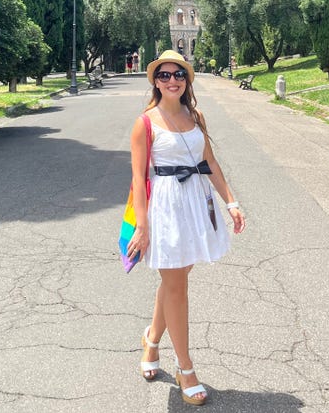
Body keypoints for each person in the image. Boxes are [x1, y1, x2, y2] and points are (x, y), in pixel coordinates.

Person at [126, 49, 246, 406]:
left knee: (174, 279)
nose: (172, 80)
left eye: (178, 74)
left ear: (187, 80)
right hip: (164, 207)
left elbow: (209, 161)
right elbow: (137, 178)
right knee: (177, 286)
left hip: (195, 204)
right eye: (164, 75)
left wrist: (232, 201)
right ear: (155, 81)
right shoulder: (145, 122)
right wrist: (142, 227)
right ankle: (185, 368)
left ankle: (151, 340)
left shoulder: (197, 116)